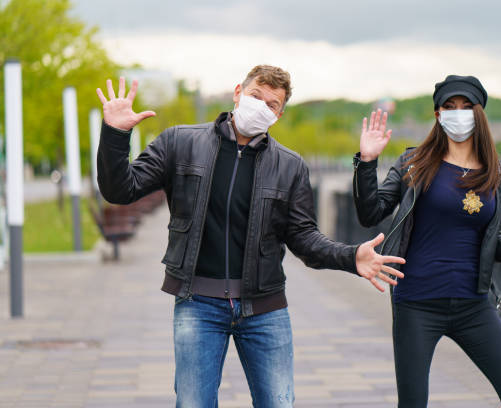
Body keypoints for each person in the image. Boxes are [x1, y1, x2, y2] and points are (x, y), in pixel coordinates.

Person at [95, 65, 405, 408]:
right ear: (238, 93)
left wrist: (351, 257)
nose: (262, 106)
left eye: (272, 104)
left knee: (278, 402)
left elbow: (303, 238)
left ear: (279, 115)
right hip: (197, 302)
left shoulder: (290, 166)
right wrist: (114, 135)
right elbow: (121, 190)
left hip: (264, 308)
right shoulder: (179, 142)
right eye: (256, 96)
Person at [352, 75, 501, 408]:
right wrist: (366, 162)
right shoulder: (413, 164)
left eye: (466, 107)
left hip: (474, 304)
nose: (458, 114)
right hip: (417, 303)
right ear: (438, 115)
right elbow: (370, 213)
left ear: (479, 114)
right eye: (449, 107)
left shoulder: (495, 174)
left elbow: (490, 242)